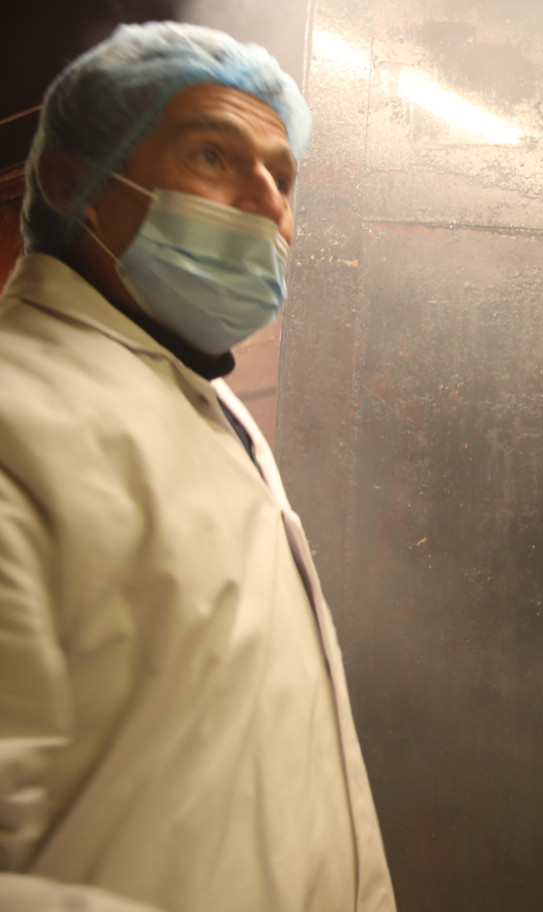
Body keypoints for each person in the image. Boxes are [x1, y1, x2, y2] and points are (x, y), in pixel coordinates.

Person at [0, 22, 395, 911]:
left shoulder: (201, 411)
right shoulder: (19, 409)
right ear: (75, 184)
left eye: (283, 176)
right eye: (214, 154)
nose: (265, 199)